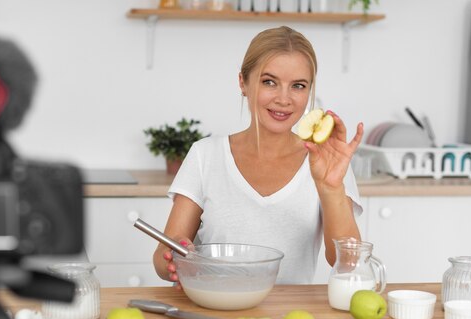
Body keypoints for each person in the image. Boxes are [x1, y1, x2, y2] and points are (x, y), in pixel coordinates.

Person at [152, 26, 363, 285]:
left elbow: (348, 262)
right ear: (243, 82)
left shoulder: (326, 161)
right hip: (212, 311)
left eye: (298, 85)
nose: (284, 99)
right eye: (269, 82)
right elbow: (164, 257)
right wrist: (173, 258)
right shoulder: (205, 155)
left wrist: (330, 188)